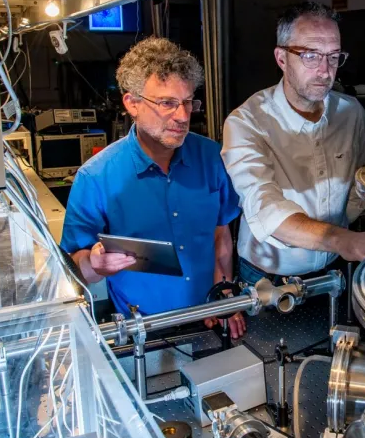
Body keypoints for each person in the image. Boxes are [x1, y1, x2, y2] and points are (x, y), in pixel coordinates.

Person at [61, 37, 246, 338]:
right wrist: (96, 264)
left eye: (188, 102)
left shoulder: (212, 157)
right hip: (141, 331)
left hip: (207, 318)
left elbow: (219, 232)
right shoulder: (96, 177)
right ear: (132, 103)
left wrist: (224, 294)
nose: (183, 116)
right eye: (167, 103)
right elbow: (72, 268)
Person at [221, 2, 365, 286]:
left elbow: (358, 183)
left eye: (334, 57)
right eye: (311, 56)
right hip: (268, 278)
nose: (325, 71)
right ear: (282, 58)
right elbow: (266, 208)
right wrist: (343, 240)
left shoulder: (351, 113)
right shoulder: (246, 122)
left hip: (332, 271)